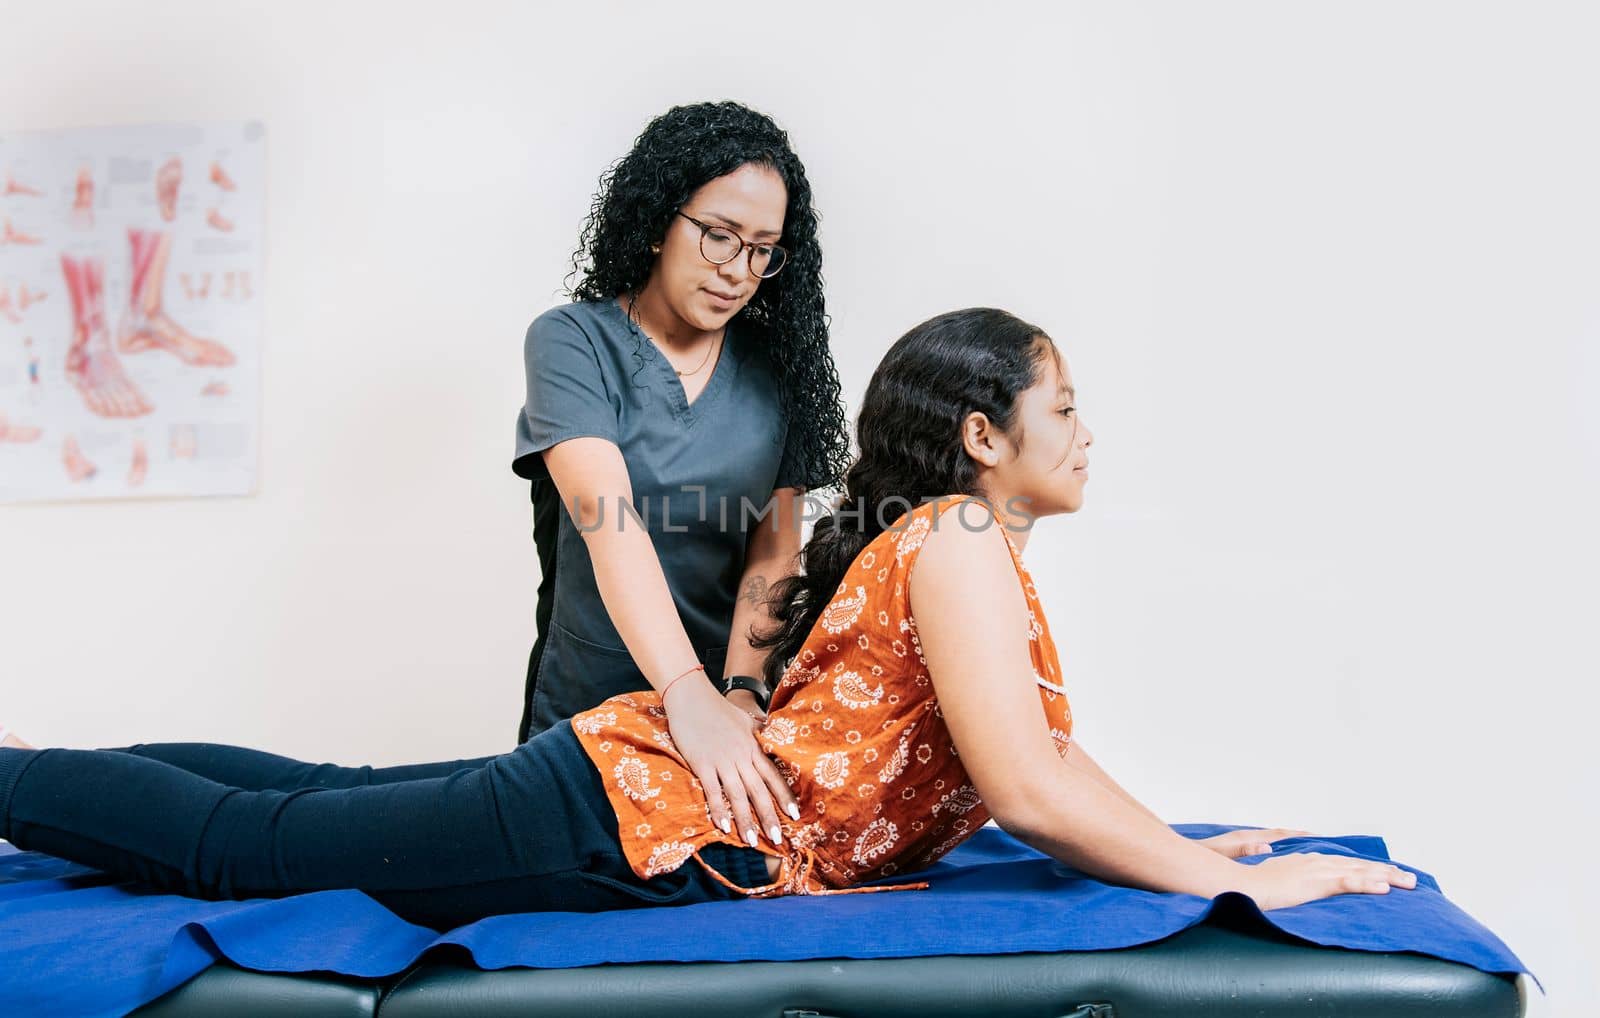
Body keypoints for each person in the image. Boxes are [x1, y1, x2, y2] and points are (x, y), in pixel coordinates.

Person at [0, 308, 1416, 932]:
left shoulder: (961, 542)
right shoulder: (965, 537)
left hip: (639, 802)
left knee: (317, 799)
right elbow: (1028, 787)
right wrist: (1233, 885)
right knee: (261, 848)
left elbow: (1051, 754)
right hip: (639, 815)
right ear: (986, 435)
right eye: (1064, 409)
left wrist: (1180, 842)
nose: (1090, 433)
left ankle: (26, 759)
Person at [512, 102, 849, 850]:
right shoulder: (572, 342)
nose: (738, 270)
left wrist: (741, 694)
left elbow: (773, 551)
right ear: (662, 219)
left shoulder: (777, 375)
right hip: (589, 709)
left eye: (764, 248)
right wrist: (684, 694)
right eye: (719, 235)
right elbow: (611, 523)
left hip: (727, 721)